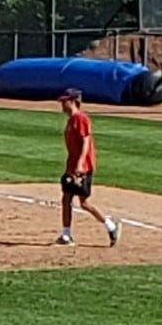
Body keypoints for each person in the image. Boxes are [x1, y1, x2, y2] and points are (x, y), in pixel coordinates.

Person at [56, 87, 120, 248]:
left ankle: (110, 226)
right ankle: (66, 234)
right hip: (72, 166)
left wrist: (80, 164)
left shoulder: (81, 119)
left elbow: (86, 143)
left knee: (84, 203)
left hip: (83, 166)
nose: (62, 105)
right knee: (66, 199)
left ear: (72, 101)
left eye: (65, 102)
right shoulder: (71, 120)